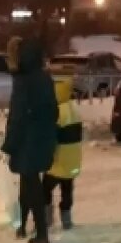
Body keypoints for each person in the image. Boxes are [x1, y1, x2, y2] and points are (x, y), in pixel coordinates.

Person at [2, 36, 58, 243]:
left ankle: (41, 234)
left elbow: (17, 116)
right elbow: (53, 110)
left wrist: (10, 144)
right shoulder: (44, 77)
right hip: (42, 136)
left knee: (31, 184)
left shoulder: (23, 80)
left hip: (28, 139)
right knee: (29, 182)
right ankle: (24, 226)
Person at [44, 76, 83, 231]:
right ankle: (66, 220)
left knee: (45, 189)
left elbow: (53, 138)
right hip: (73, 160)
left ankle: (47, 219)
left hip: (59, 160)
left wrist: (47, 156)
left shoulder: (57, 112)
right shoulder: (73, 110)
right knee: (67, 189)